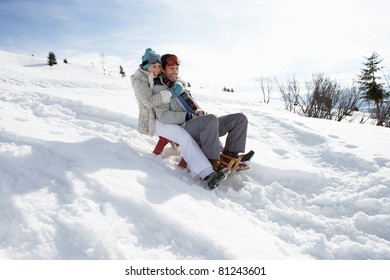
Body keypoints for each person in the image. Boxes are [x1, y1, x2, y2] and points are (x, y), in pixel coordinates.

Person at [130, 48, 227, 189]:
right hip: (154, 120)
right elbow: (149, 102)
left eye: (158, 66)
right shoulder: (140, 80)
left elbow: (169, 83)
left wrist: (178, 86)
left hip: (163, 115)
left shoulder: (155, 76)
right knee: (184, 136)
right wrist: (169, 93)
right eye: (154, 66)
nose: (156, 69)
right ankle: (206, 173)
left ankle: (217, 156)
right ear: (146, 66)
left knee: (200, 126)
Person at [152, 53, 254, 170]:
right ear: (163, 69)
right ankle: (212, 162)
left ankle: (230, 155)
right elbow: (163, 116)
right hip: (186, 126)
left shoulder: (178, 85)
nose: (175, 72)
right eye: (171, 68)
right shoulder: (158, 89)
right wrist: (189, 116)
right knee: (210, 120)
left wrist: (200, 112)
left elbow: (192, 104)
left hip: (202, 123)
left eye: (177, 68)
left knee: (239, 119)